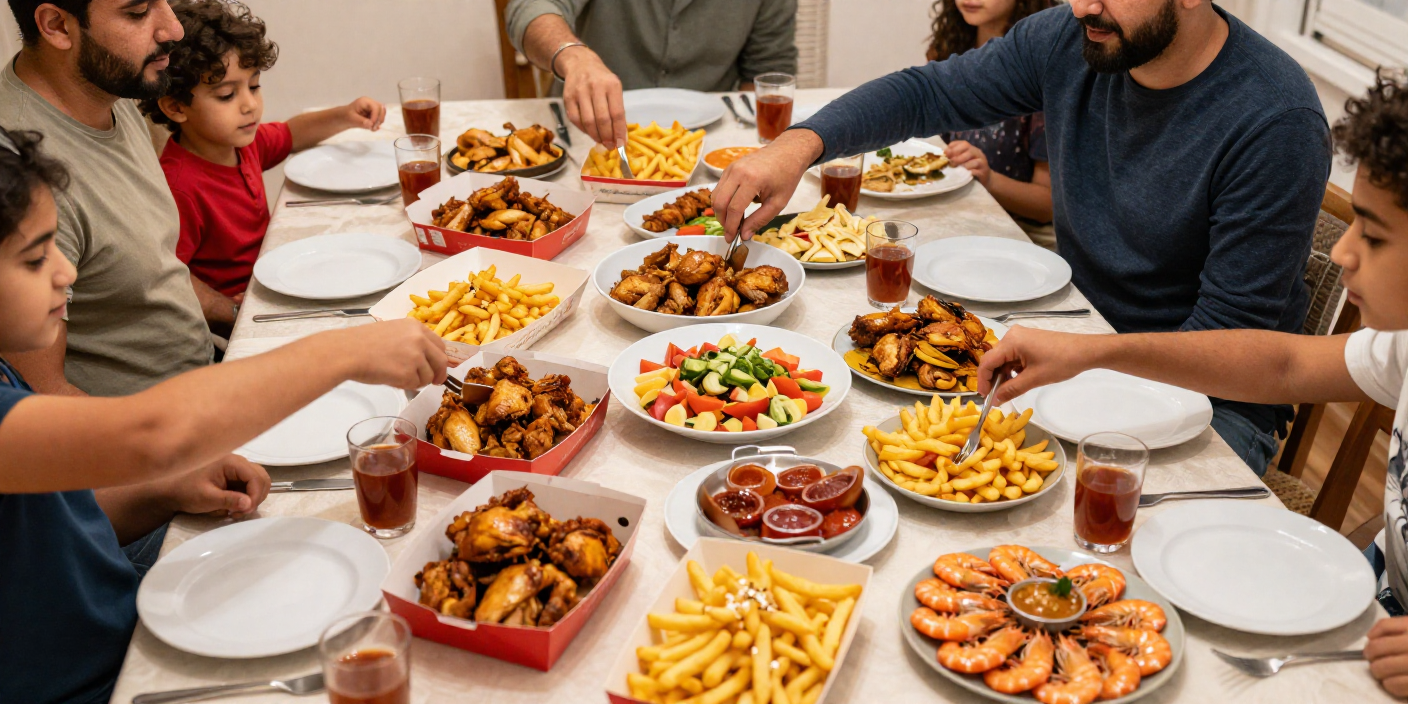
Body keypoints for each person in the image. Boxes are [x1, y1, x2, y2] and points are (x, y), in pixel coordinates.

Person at [714, 0, 1332, 476]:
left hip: (1214, 398)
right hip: (1079, 338)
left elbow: (1233, 338)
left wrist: (1090, 361)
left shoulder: (1275, 119)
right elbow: (926, 91)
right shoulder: (1074, 36)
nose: (1084, 6)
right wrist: (796, 146)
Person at [972, 73, 1408, 698]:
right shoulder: (1400, 347)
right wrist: (1091, 353)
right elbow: (1280, 367)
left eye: (1373, 233)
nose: (1341, 253)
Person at [0, 126, 448, 704]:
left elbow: (53, 518)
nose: (66, 272)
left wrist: (160, 493)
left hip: (118, 622)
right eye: (36, 258)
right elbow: (152, 434)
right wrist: (348, 350)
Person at [1, 0, 213, 397]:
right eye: (137, 12)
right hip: (139, 433)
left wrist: (236, 313)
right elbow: (45, 397)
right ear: (57, 26)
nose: (174, 29)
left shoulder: (107, 88)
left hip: (199, 380)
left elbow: (144, 268)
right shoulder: (20, 176)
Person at [137, 0, 385, 321]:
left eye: (254, 86)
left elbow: (291, 133)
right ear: (175, 107)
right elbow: (169, 276)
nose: (249, 105)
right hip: (240, 319)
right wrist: (230, 309)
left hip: (271, 284)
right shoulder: (180, 187)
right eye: (227, 95)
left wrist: (345, 115)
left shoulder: (241, 144)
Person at [505, 0, 798, 148]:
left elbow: (768, 69)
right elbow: (529, 7)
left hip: (708, 140)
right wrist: (572, 54)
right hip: (584, 135)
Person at [928, 0, 1055, 234]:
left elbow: (1049, 205)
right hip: (958, 216)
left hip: (1022, 233)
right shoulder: (947, 50)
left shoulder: (1044, 69)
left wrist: (989, 179)